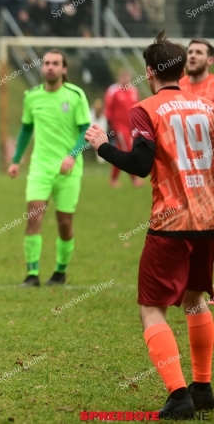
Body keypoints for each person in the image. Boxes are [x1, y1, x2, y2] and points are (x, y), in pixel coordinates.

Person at [86, 31, 214, 419]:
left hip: (171, 224)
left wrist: (102, 146)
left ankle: (179, 396)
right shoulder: (207, 107)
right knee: (195, 300)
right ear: (180, 68)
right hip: (208, 220)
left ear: (149, 72)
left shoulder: (145, 108)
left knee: (151, 308)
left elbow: (141, 165)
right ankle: (204, 386)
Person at [7, 51, 91, 287]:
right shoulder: (31, 96)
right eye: (47, 63)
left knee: (65, 222)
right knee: (34, 217)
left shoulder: (75, 96)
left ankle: (60, 272)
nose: (50, 67)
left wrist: (72, 156)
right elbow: (26, 129)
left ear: (64, 69)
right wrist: (16, 160)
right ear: (42, 68)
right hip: (40, 168)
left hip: (68, 171)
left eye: (56, 64)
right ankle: (32, 274)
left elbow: (86, 129)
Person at [104, 70, 143, 188]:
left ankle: (113, 179)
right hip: (119, 127)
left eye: (127, 76)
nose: (125, 79)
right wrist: (111, 125)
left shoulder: (134, 91)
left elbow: (138, 108)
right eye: (123, 76)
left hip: (132, 127)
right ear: (119, 77)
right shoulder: (113, 90)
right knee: (128, 149)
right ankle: (134, 179)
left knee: (122, 151)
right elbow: (108, 108)